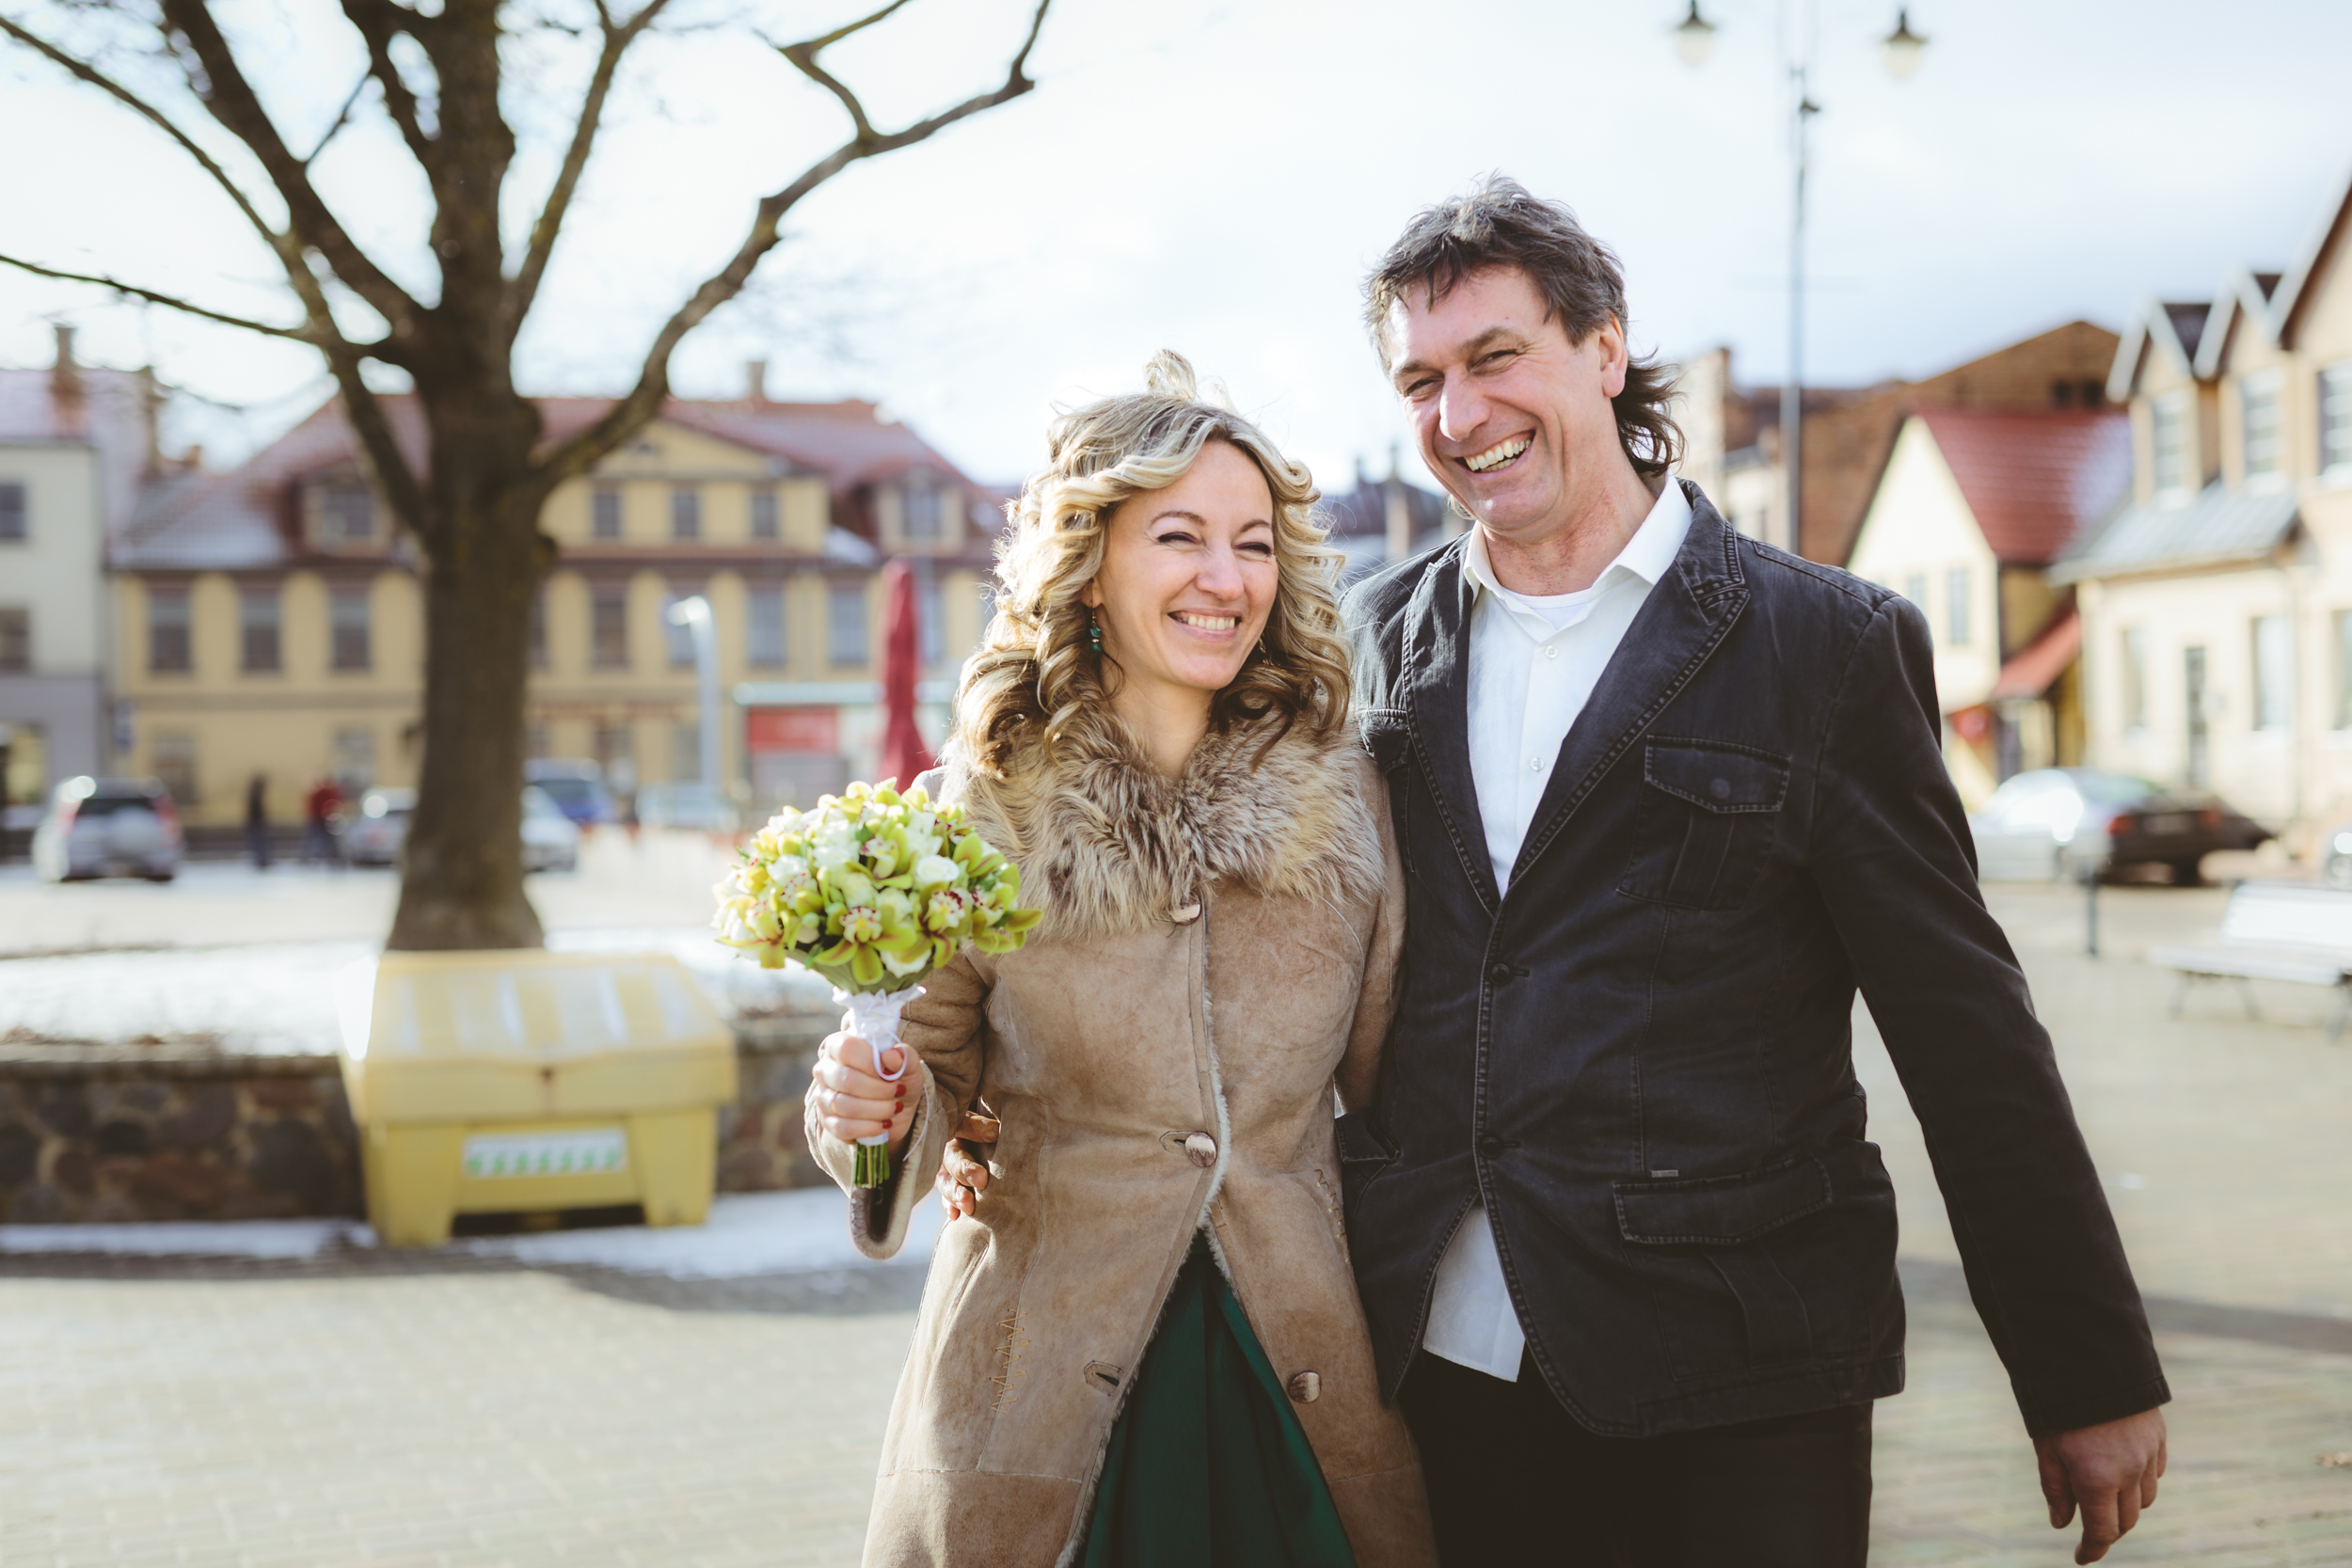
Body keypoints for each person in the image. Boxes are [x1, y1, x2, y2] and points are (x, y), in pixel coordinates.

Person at [1336, 177, 2169, 1567]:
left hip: (1738, 1360)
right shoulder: (1367, 643)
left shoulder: (1826, 646)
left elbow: (1967, 1035)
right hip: (1431, 1358)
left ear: (1604, 347)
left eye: (1495, 358)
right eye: (1420, 380)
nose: (1460, 416)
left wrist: (2085, 1367)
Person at [804, 354, 1435, 1568]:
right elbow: (920, 1087)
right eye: (1181, 536)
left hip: (1304, 1377)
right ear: (1089, 565)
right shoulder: (975, 815)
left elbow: (1398, 1102)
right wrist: (870, 1106)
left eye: (1254, 544)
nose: (1225, 578)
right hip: (1037, 1388)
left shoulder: (1351, 802)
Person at [302, 772, 342, 864]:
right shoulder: (324, 792)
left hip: (319, 818)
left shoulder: (321, 792)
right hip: (321, 819)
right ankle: (327, 856)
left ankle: (316, 856)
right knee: (321, 839)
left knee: (319, 838)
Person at [246, 772, 271, 870]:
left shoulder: (253, 796)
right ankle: (261, 860)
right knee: (259, 842)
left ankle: (261, 860)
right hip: (257, 824)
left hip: (256, 823)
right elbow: (256, 813)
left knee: (258, 842)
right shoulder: (255, 797)